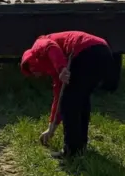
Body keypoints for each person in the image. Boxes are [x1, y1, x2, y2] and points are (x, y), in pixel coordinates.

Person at [20, 31, 114, 159]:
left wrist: (61, 68)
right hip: (104, 52)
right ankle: (80, 146)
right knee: (80, 99)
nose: (37, 75)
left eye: (34, 70)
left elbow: (51, 47)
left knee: (70, 103)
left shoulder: (39, 44)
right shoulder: (55, 71)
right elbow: (58, 97)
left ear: (32, 59)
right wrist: (51, 127)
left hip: (86, 51)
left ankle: (71, 150)